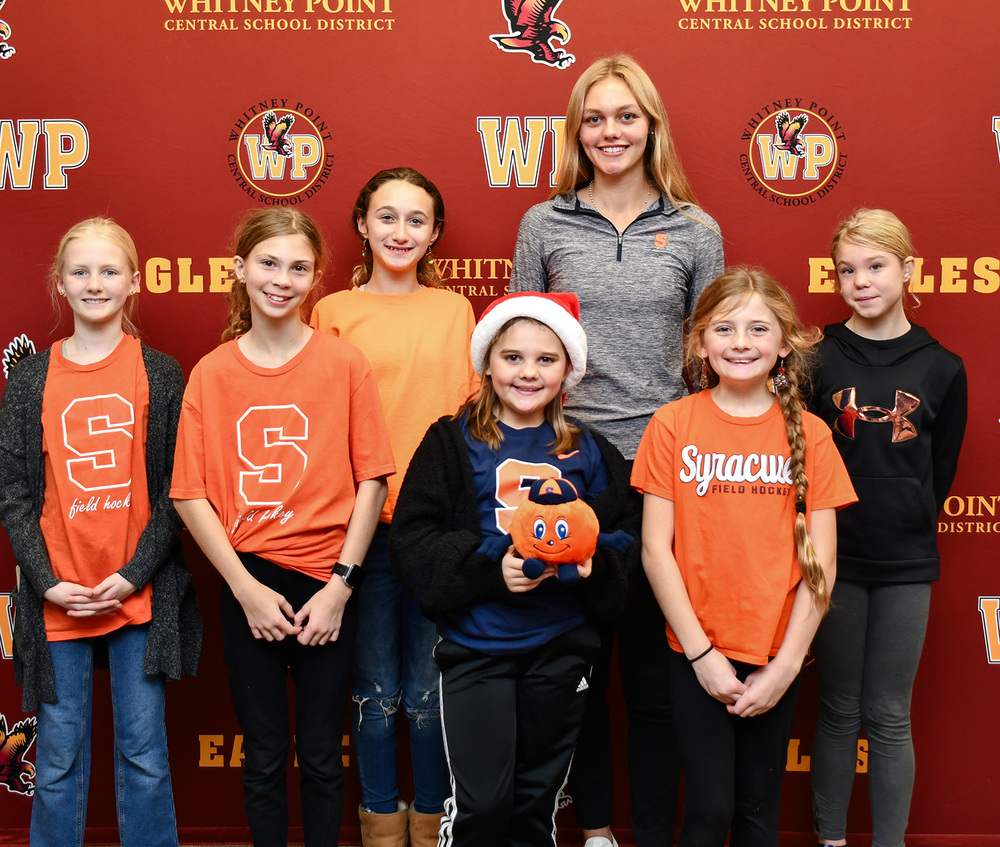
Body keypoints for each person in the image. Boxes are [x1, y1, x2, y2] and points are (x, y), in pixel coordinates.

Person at [510, 53, 725, 847]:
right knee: (579, 669)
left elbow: (711, 360)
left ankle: (659, 833)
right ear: (577, 130)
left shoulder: (696, 230)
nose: (611, 132)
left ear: (651, 126)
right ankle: (596, 829)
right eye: (595, 117)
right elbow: (523, 348)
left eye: (626, 116)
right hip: (571, 467)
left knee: (655, 670)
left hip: (667, 471)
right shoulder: (545, 224)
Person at [170, 208, 394, 847]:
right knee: (264, 754)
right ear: (239, 270)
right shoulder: (212, 373)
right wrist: (242, 589)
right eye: (268, 263)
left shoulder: (345, 364)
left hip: (329, 580)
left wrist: (340, 588)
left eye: (299, 267)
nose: (282, 279)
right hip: (251, 582)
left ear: (316, 277)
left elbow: (372, 480)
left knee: (324, 753)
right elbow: (189, 495)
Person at [389, 292, 637, 847]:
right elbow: (413, 541)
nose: (528, 372)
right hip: (479, 646)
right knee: (483, 803)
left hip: (560, 644)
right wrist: (488, 569)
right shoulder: (450, 441)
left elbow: (624, 539)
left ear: (569, 369)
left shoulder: (591, 451)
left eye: (546, 359)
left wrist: (591, 563)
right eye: (513, 357)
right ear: (487, 363)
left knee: (535, 802)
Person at [633, 268, 856, 846]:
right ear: (699, 340)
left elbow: (822, 567)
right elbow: (657, 550)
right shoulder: (672, 424)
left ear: (784, 343)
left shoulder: (812, 434)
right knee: (710, 808)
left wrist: (784, 666)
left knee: (758, 811)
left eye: (758, 329)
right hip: (695, 650)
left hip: (778, 652)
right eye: (723, 328)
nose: (739, 342)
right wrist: (702, 655)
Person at [0, 217, 201, 847]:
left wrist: (132, 575)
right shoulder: (31, 379)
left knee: (144, 757)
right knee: (56, 761)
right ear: (60, 284)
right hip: (58, 600)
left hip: (136, 599)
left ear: (134, 281)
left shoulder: (161, 374)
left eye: (109, 270)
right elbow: (14, 493)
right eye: (80, 271)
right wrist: (48, 582)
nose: (95, 283)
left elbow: (178, 491)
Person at [310, 167, 475, 847]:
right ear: (361, 224)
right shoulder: (333, 313)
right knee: (376, 688)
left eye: (415, 219)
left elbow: (472, 420)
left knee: (430, 690)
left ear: (434, 233)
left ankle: (434, 819)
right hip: (363, 531)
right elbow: (321, 425)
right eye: (386, 216)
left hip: (438, 531)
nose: (400, 231)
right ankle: (381, 822)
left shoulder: (455, 311)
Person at [808, 210, 967, 847]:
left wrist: (903, 520)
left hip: (905, 563)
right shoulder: (814, 356)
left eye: (875, 267)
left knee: (890, 715)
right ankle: (832, 841)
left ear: (908, 269)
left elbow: (942, 470)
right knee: (840, 709)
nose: (861, 281)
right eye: (848, 270)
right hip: (833, 558)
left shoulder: (942, 367)